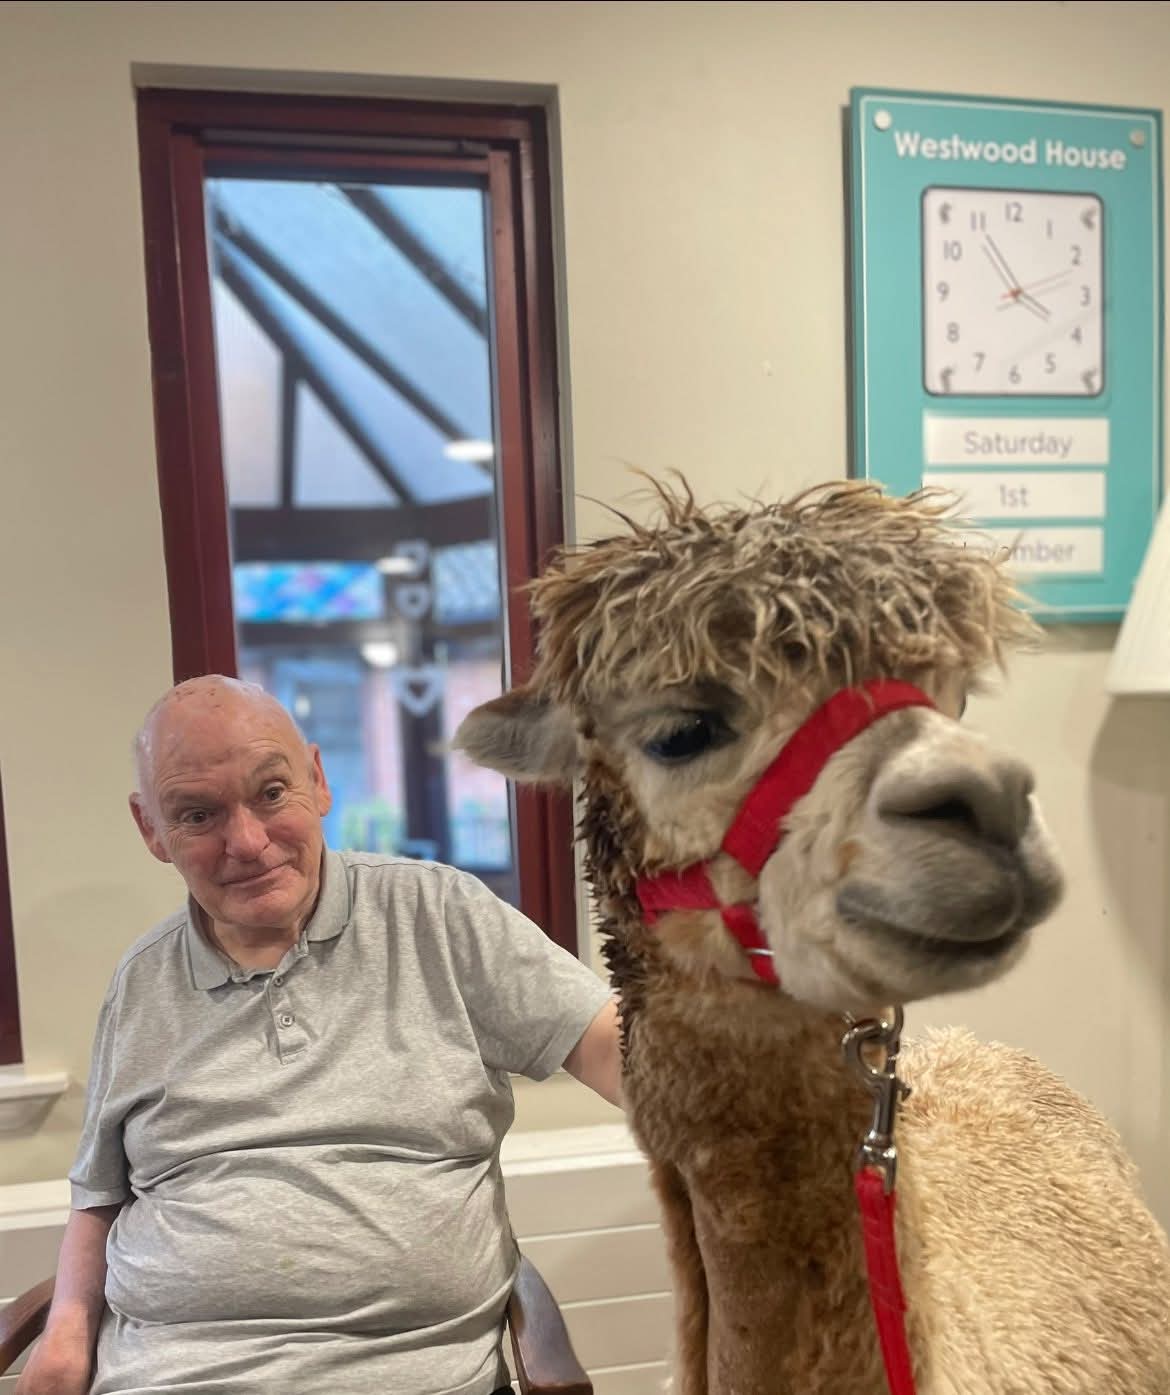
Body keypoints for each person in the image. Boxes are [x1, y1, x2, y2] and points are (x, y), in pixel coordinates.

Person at [17, 676, 622, 1395]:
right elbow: (99, 1196)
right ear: (151, 829)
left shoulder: (437, 915)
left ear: (318, 780)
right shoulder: (142, 981)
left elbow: (616, 1050)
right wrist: (65, 1333)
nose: (247, 841)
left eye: (271, 793)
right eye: (198, 814)